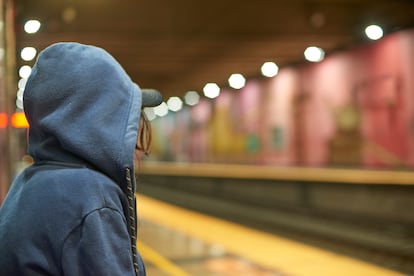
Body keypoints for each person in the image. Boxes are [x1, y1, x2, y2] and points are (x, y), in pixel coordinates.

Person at [0, 42, 163, 276]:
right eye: (125, 119)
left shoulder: (28, 181)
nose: (134, 133)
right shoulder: (91, 198)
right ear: (100, 121)